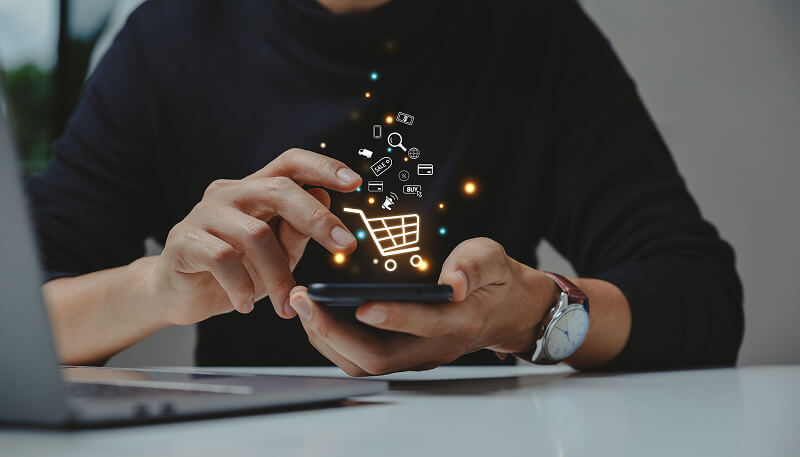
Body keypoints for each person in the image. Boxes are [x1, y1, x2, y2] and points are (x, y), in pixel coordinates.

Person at [29, 0, 743, 375]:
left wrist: (530, 314)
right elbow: (18, 321)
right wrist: (158, 290)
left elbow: (700, 297)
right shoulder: (170, 40)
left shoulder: (531, 28)